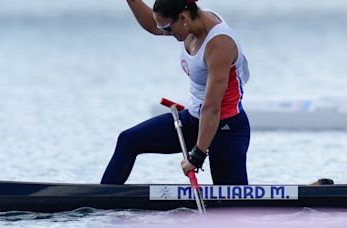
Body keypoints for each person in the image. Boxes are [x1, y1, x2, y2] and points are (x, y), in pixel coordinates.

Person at [101, 0, 250, 185]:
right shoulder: (190, 21)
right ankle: (100, 205)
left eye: (168, 28)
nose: (165, 32)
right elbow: (153, 25)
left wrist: (197, 155)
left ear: (182, 18)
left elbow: (212, 108)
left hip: (225, 128)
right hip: (194, 120)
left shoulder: (219, 44)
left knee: (233, 206)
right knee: (128, 141)